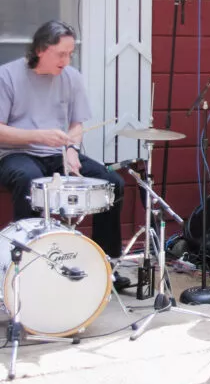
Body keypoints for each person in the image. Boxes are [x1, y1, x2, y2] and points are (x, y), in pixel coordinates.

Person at [0, 20, 130, 290]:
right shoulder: (8, 76)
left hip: (57, 152)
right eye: (61, 54)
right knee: (30, 180)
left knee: (112, 183)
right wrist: (38, 136)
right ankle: (28, 267)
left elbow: (76, 125)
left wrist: (71, 149)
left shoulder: (71, 77)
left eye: (70, 54)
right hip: (15, 153)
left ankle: (107, 266)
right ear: (40, 49)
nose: (66, 59)